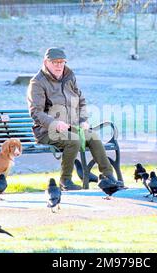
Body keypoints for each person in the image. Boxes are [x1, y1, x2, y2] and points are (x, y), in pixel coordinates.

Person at [27, 47, 122, 191]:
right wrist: (54, 123)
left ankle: (108, 177)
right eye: (55, 62)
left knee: (93, 136)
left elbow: (81, 101)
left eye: (62, 62)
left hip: (72, 127)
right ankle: (65, 181)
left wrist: (83, 120)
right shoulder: (37, 83)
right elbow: (36, 112)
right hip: (46, 131)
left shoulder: (69, 77)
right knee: (73, 140)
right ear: (46, 62)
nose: (59, 65)